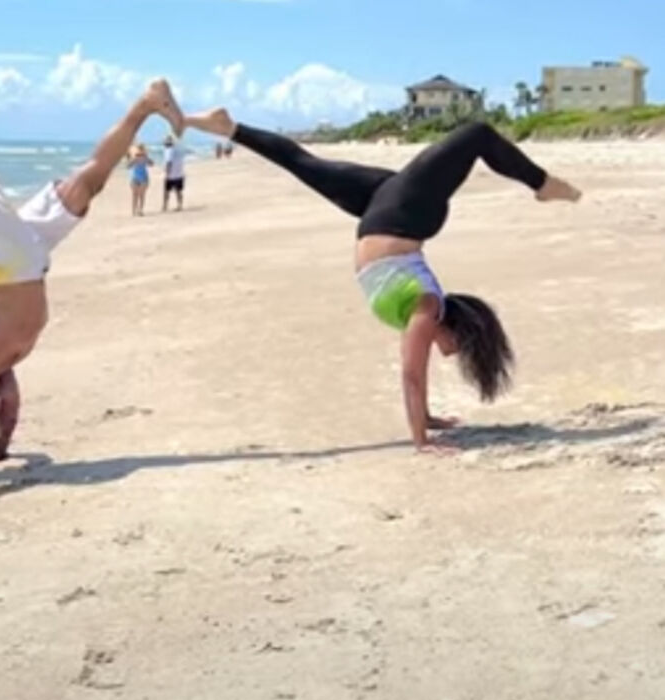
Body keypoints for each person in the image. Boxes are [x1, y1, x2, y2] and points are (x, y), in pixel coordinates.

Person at [184, 109, 581, 453]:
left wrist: (427, 418)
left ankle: (230, 128)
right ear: (457, 328)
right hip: (405, 216)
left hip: (385, 208)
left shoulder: (422, 311)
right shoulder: (427, 308)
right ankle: (543, 185)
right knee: (476, 135)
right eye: (458, 347)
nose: (449, 354)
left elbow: (414, 373)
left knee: (305, 164)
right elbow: (411, 373)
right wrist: (421, 441)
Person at [0, 79, 184, 500]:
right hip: (28, 258)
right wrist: (0, 449)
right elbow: (10, 412)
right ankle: (146, 105)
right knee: (90, 178)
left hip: (9, 262)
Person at [127, 143, 154, 216]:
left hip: (143, 177)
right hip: (135, 177)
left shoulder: (145, 157)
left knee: (141, 195)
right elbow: (128, 166)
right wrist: (133, 159)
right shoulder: (136, 158)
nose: (140, 151)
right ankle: (134, 210)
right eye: (139, 149)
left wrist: (146, 158)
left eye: (141, 149)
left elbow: (152, 164)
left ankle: (140, 210)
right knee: (135, 195)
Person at [162, 134, 186, 211]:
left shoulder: (168, 150)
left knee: (166, 191)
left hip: (171, 175)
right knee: (178, 190)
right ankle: (180, 205)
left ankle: (165, 206)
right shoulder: (177, 150)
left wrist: (167, 173)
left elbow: (169, 162)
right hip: (179, 173)